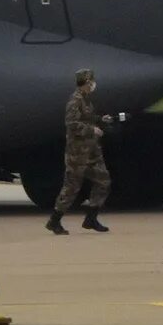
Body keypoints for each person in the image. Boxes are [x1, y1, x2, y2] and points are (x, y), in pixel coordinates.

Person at [45, 67, 111, 234]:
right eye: (91, 82)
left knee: (103, 181)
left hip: (92, 150)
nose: (93, 85)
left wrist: (100, 119)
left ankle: (91, 218)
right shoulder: (74, 100)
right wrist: (92, 130)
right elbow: (72, 124)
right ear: (86, 83)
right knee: (72, 187)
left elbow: (86, 118)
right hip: (78, 153)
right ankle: (55, 220)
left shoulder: (86, 100)